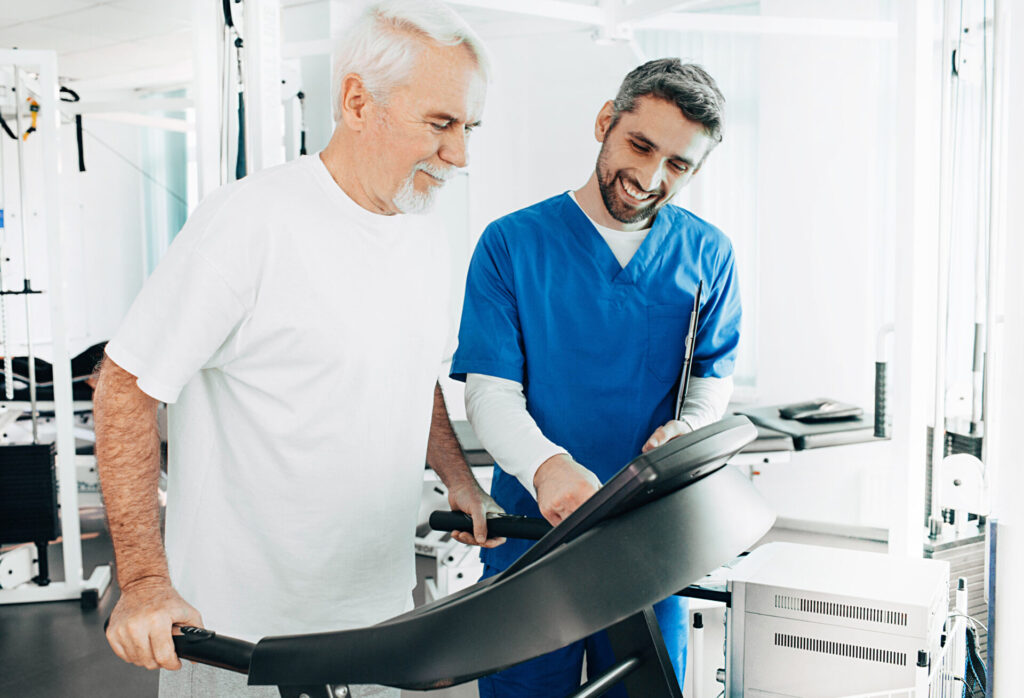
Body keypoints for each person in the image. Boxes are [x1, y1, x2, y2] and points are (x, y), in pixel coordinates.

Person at [94, 3, 502, 697]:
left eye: (468, 128)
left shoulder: (423, 231)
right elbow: (125, 386)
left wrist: (458, 478)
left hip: (376, 621)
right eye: (440, 123)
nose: (459, 153)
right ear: (356, 102)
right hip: (238, 637)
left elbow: (412, 372)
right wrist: (142, 582)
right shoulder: (249, 223)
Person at [451, 59, 742, 697]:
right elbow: (490, 392)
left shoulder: (708, 254)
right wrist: (546, 465)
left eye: (678, 165)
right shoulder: (511, 245)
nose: (649, 177)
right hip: (531, 548)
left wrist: (689, 427)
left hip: (648, 549)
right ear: (605, 121)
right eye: (641, 145)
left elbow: (711, 378)